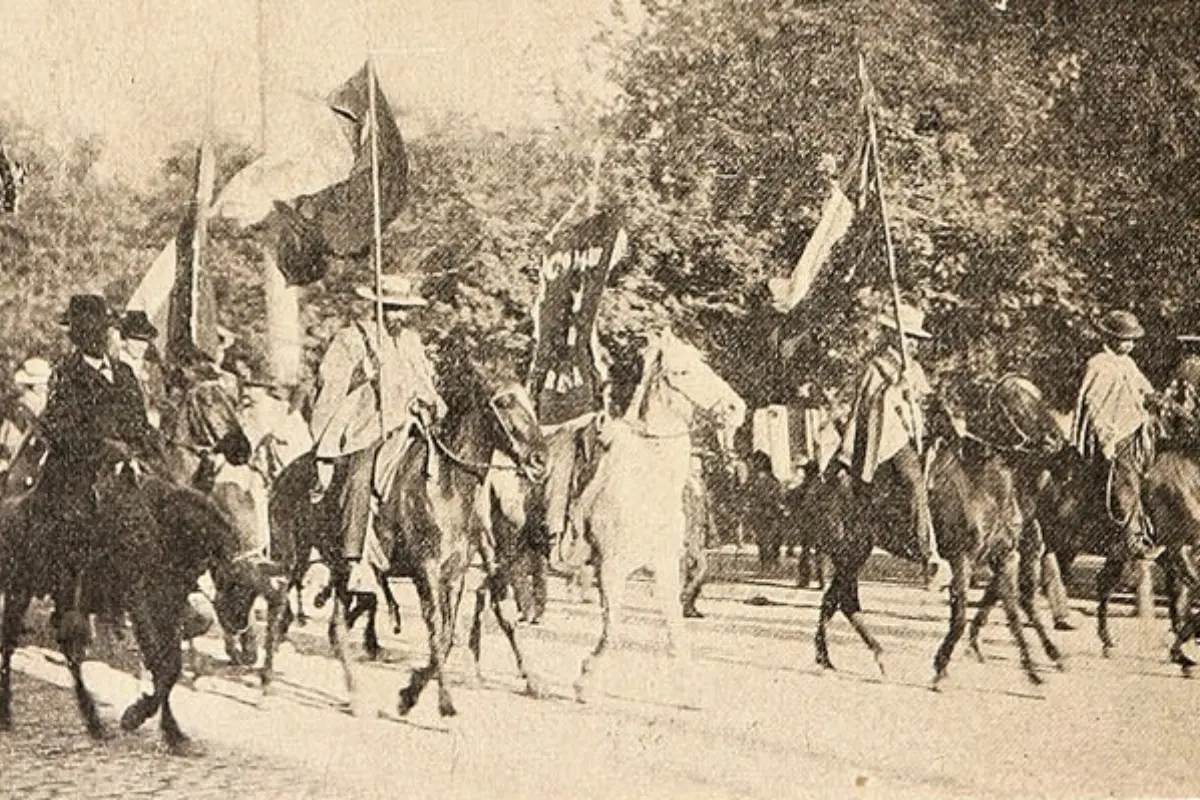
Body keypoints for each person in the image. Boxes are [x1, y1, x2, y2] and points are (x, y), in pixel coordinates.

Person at [308, 274, 445, 578]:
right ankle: (354, 559)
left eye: (402, 309)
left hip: (411, 426)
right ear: (377, 307)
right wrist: (361, 373)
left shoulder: (411, 342)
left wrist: (431, 401)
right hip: (367, 428)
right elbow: (330, 384)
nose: (398, 316)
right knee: (360, 474)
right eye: (391, 308)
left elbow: (426, 383)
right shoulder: (352, 338)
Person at [835, 302, 949, 588]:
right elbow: (871, 405)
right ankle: (929, 554)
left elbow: (925, 400)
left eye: (914, 339)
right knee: (914, 482)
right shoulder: (877, 367)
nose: (911, 344)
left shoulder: (916, 369)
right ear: (893, 336)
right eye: (906, 336)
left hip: (917, 435)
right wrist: (898, 387)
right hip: (890, 439)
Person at [1070, 309, 1156, 559]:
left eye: (1132, 340)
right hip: (1112, 433)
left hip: (1134, 427)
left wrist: (1156, 397)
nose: (1129, 345)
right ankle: (1132, 535)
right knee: (1124, 477)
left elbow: (1142, 387)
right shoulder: (1098, 364)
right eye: (1124, 339)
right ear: (1109, 338)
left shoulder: (1128, 363)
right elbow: (1094, 404)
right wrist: (1106, 439)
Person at [0, 357, 51, 473]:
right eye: (44, 384)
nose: (46, 388)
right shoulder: (24, 406)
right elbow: (8, 436)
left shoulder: (23, 406)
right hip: (21, 465)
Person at [117, 310, 167, 428]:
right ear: (124, 340)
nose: (141, 346)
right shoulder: (115, 365)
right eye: (135, 339)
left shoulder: (151, 368)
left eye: (145, 341)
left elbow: (161, 399)